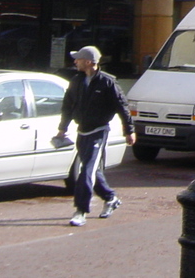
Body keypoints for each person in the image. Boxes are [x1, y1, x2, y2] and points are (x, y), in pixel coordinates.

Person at [53, 46, 135, 227]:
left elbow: (122, 106)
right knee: (92, 169)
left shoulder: (107, 82)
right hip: (82, 131)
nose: (75, 62)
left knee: (86, 171)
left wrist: (129, 130)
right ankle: (110, 197)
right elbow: (67, 106)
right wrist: (62, 129)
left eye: (78, 59)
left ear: (89, 62)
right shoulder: (76, 80)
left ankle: (80, 211)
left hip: (98, 132)